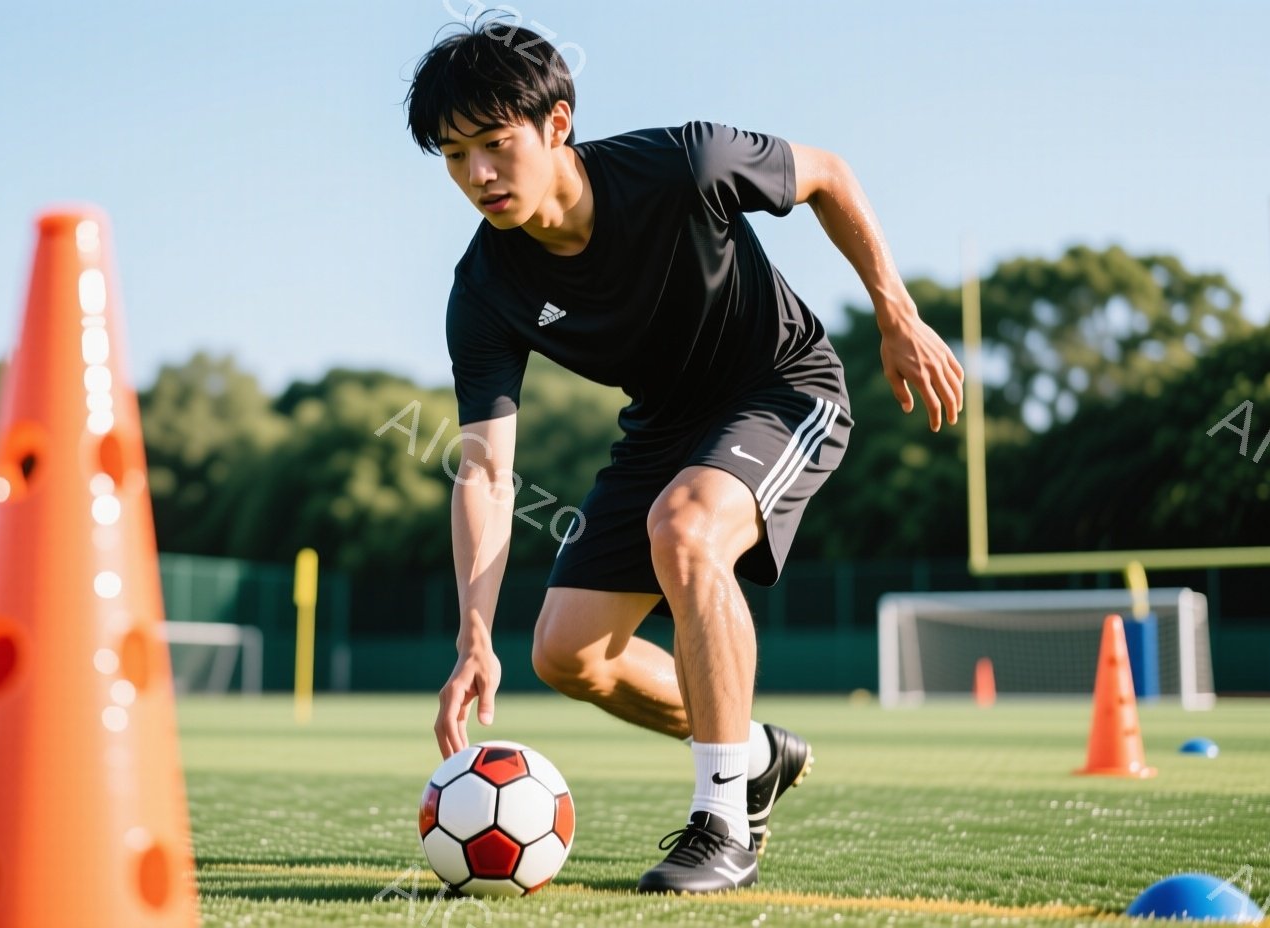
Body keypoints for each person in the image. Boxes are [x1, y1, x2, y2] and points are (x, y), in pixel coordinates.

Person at [404, 20, 962, 894]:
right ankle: (752, 753)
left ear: (556, 125)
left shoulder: (684, 165)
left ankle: (722, 821)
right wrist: (475, 632)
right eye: (453, 154)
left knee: (687, 527)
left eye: (494, 143)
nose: (476, 174)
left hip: (784, 388)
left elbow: (827, 175)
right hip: (665, 427)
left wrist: (897, 314)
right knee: (566, 653)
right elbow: (485, 469)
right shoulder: (484, 290)